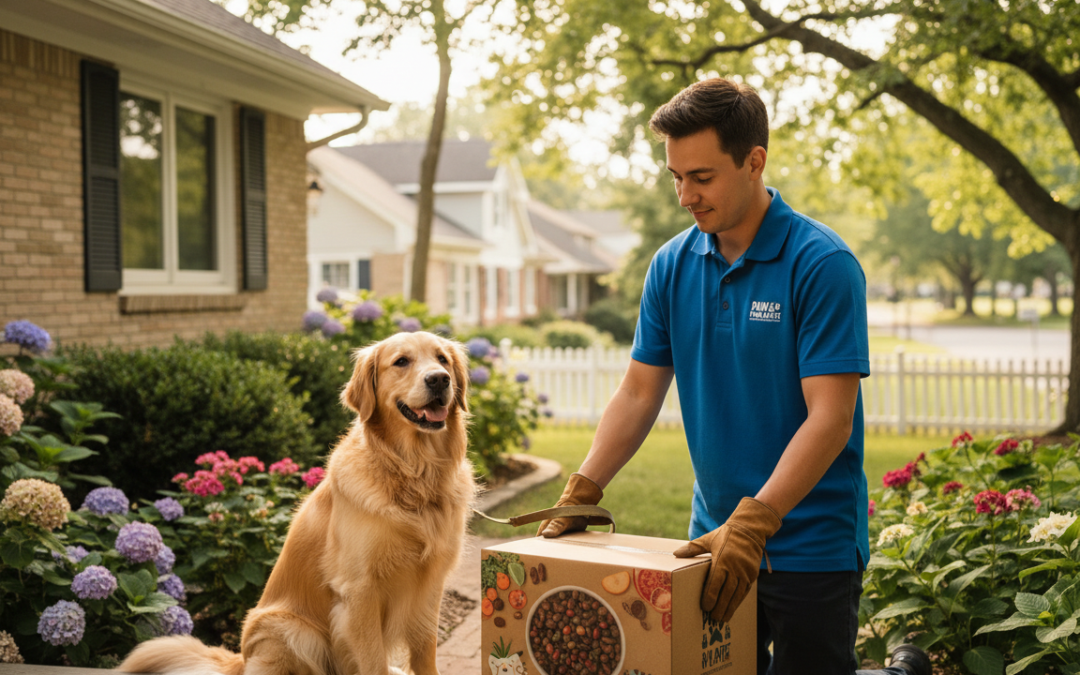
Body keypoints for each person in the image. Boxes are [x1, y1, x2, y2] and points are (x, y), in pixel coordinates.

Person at [536, 78, 931, 675]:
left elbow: (831, 416)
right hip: (710, 541)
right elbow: (640, 391)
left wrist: (755, 523)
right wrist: (585, 486)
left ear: (755, 162)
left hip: (810, 544)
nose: (685, 195)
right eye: (675, 176)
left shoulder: (821, 263)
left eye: (702, 177)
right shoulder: (671, 264)